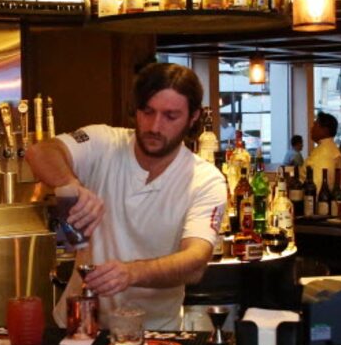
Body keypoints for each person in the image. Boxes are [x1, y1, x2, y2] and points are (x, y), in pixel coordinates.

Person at [25, 62, 227, 330]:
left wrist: (132, 272)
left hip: (156, 333)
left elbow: (195, 262)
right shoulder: (104, 142)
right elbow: (40, 153)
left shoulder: (205, 180)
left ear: (192, 117)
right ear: (136, 110)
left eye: (170, 116)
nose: (155, 126)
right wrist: (70, 185)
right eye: (148, 111)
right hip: (79, 326)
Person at [305, 111, 341, 190]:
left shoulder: (324, 152)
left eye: (315, 125)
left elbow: (318, 184)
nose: (311, 128)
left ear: (325, 130)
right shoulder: (331, 149)